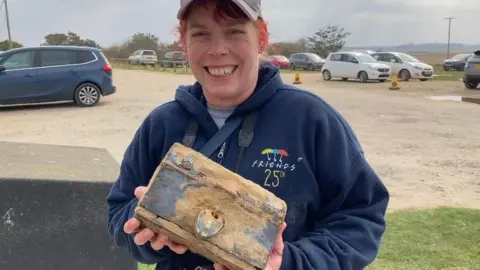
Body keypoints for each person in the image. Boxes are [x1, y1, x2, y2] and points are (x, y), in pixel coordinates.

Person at [106, 0, 390, 269]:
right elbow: (119, 211)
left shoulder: (311, 120)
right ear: (184, 40)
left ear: (261, 36)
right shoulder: (163, 124)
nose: (218, 50)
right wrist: (144, 225)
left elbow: (361, 217)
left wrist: (289, 262)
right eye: (201, 33)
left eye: (234, 31)